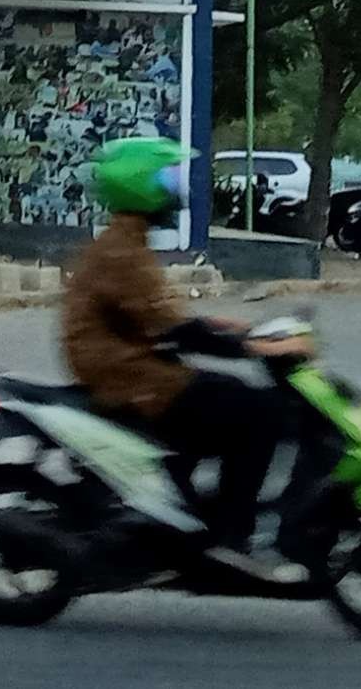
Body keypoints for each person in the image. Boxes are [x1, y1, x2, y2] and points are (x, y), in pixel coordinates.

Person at [60, 136, 305, 584]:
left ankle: (190, 512)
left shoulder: (128, 244)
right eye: (166, 178)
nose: (175, 187)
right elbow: (172, 329)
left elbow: (161, 317)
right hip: (132, 378)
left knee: (231, 402)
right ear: (141, 186)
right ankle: (232, 538)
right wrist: (256, 348)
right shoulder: (122, 252)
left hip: (139, 369)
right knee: (258, 412)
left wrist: (227, 327)